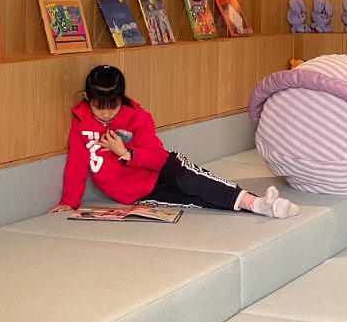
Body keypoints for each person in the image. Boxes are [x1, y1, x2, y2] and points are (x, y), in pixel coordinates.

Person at [50, 65, 300, 219]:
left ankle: (257, 202)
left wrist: (125, 153)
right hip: (140, 192)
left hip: (163, 168)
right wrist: (69, 201)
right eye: (98, 107)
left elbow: (158, 158)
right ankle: (258, 206)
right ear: (87, 98)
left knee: (192, 182)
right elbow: (76, 164)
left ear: (121, 99)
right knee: (195, 200)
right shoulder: (80, 122)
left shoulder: (138, 117)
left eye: (112, 107)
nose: (105, 114)